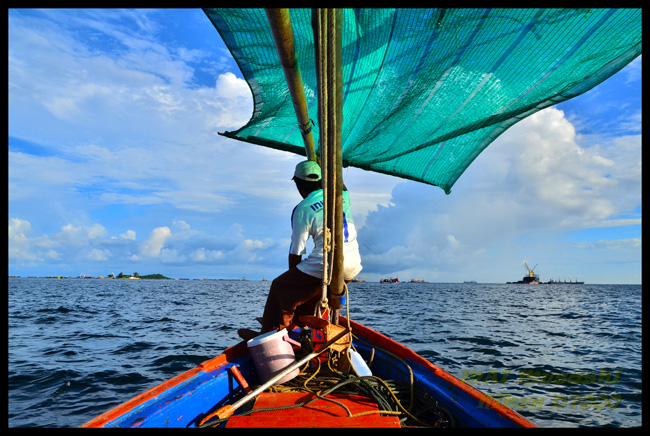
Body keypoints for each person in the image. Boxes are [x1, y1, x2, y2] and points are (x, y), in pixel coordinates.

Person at [239, 160, 362, 339]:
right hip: (352, 266)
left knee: (280, 287)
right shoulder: (342, 196)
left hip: (325, 264)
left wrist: (292, 281)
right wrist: (326, 164)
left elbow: (297, 251)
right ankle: (301, 320)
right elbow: (342, 185)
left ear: (298, 184)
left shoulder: (302, 209)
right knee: (307, 294)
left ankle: (272, 333)